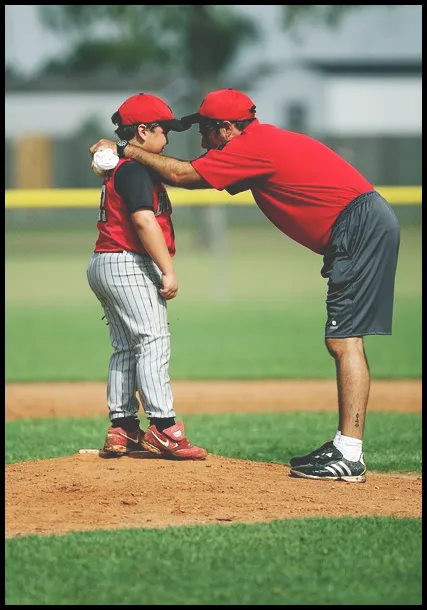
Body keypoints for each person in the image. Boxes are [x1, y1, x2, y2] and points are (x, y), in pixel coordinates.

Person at [89, 87, 401, 482]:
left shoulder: (253, 147)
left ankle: (349, 454)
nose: (201, 140)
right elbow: (191, 172)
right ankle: (346, 447)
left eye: (206, 131)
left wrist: (126, 151)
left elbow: (185, 174)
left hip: (359, 228)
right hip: (359, 226)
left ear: (228, 129)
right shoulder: (259, 141)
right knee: (343, 338)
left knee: (345, 339)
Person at [87, 92, 207, 460]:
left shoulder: (124, 166)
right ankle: (164, 427)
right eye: (163, 131)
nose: (167, 138)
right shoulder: (136, 169)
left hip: (104, 261)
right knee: (153, 339)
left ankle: (122, 427)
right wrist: (168, 269)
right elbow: (143, 219)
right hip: (127, 262)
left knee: (126, 346)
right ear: (143, 130)